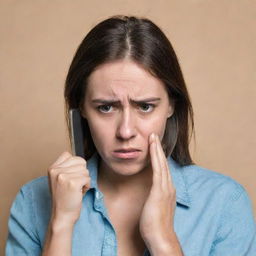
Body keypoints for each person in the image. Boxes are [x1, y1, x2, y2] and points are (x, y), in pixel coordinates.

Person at [5, 15, 256, 256]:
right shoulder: (32, 202)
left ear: (171, 106)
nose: (125, 131)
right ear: (80, 108)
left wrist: (164, 241)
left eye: (145, 106)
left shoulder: (224, 203)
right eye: (106, 107)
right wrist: (60, 224)